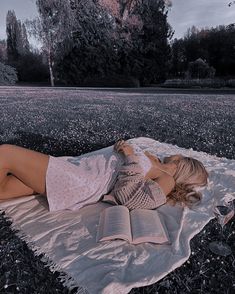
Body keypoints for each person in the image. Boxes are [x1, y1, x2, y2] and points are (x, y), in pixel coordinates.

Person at [0, 139, 209, 210]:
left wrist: (130, 156)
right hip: (77, 167)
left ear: (183, 163)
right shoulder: (155, 160)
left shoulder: (168, 179)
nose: (176, 154)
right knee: (4, 188)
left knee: (6, 152)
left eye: (182, 156)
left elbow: (133, 199)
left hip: (81, 180)